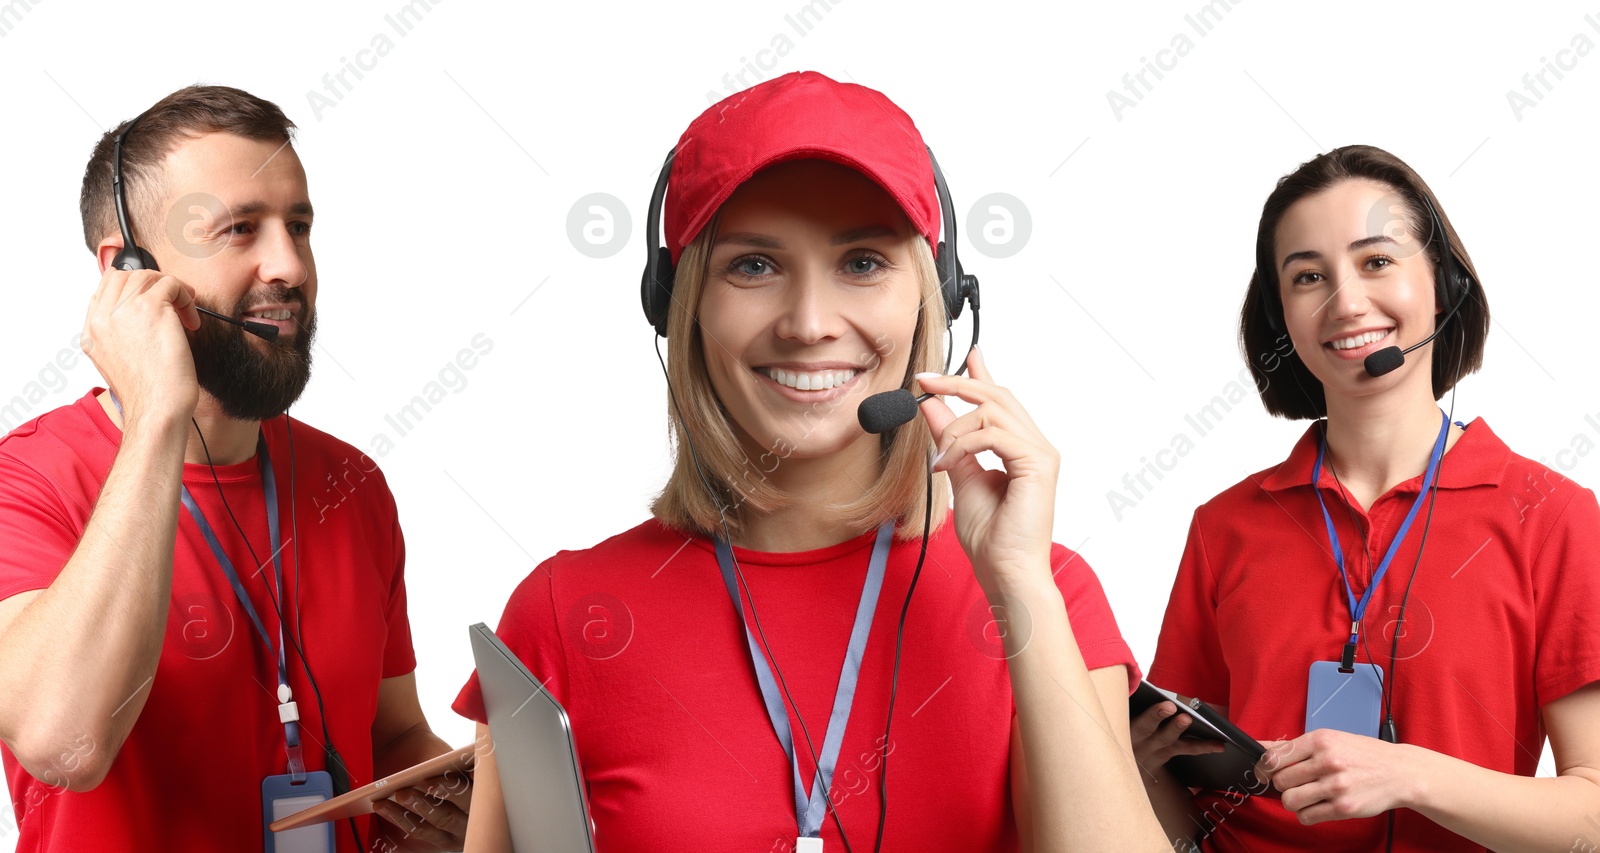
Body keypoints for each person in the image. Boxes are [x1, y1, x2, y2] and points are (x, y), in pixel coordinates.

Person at [454, 71, 1168, 852]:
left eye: (862, 262)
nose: (809, 322)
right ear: (678, 303)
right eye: (754, 265)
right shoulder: (563, 613)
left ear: (936, 298)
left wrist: (1019, 583)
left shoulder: (1045, 593)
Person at [0, 85, 468, 852]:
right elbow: (63, 743)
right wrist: (155, 410)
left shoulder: (352, 484)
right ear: (129, 271)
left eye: (300, 226)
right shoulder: (27, 480)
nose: (288, 265)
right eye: (240, 229)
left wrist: (452, 804)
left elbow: (392, 732)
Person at [1134, 144, 1600, 851]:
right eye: (1309, 276)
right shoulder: (1222, 527)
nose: (1346, 301)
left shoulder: (1554, 515)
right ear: (1281, 314)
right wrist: (1143, 773)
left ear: (1442, 282)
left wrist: (1410, 773)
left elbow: (1592, 818)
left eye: (1376, 261)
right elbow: (1187, 812)